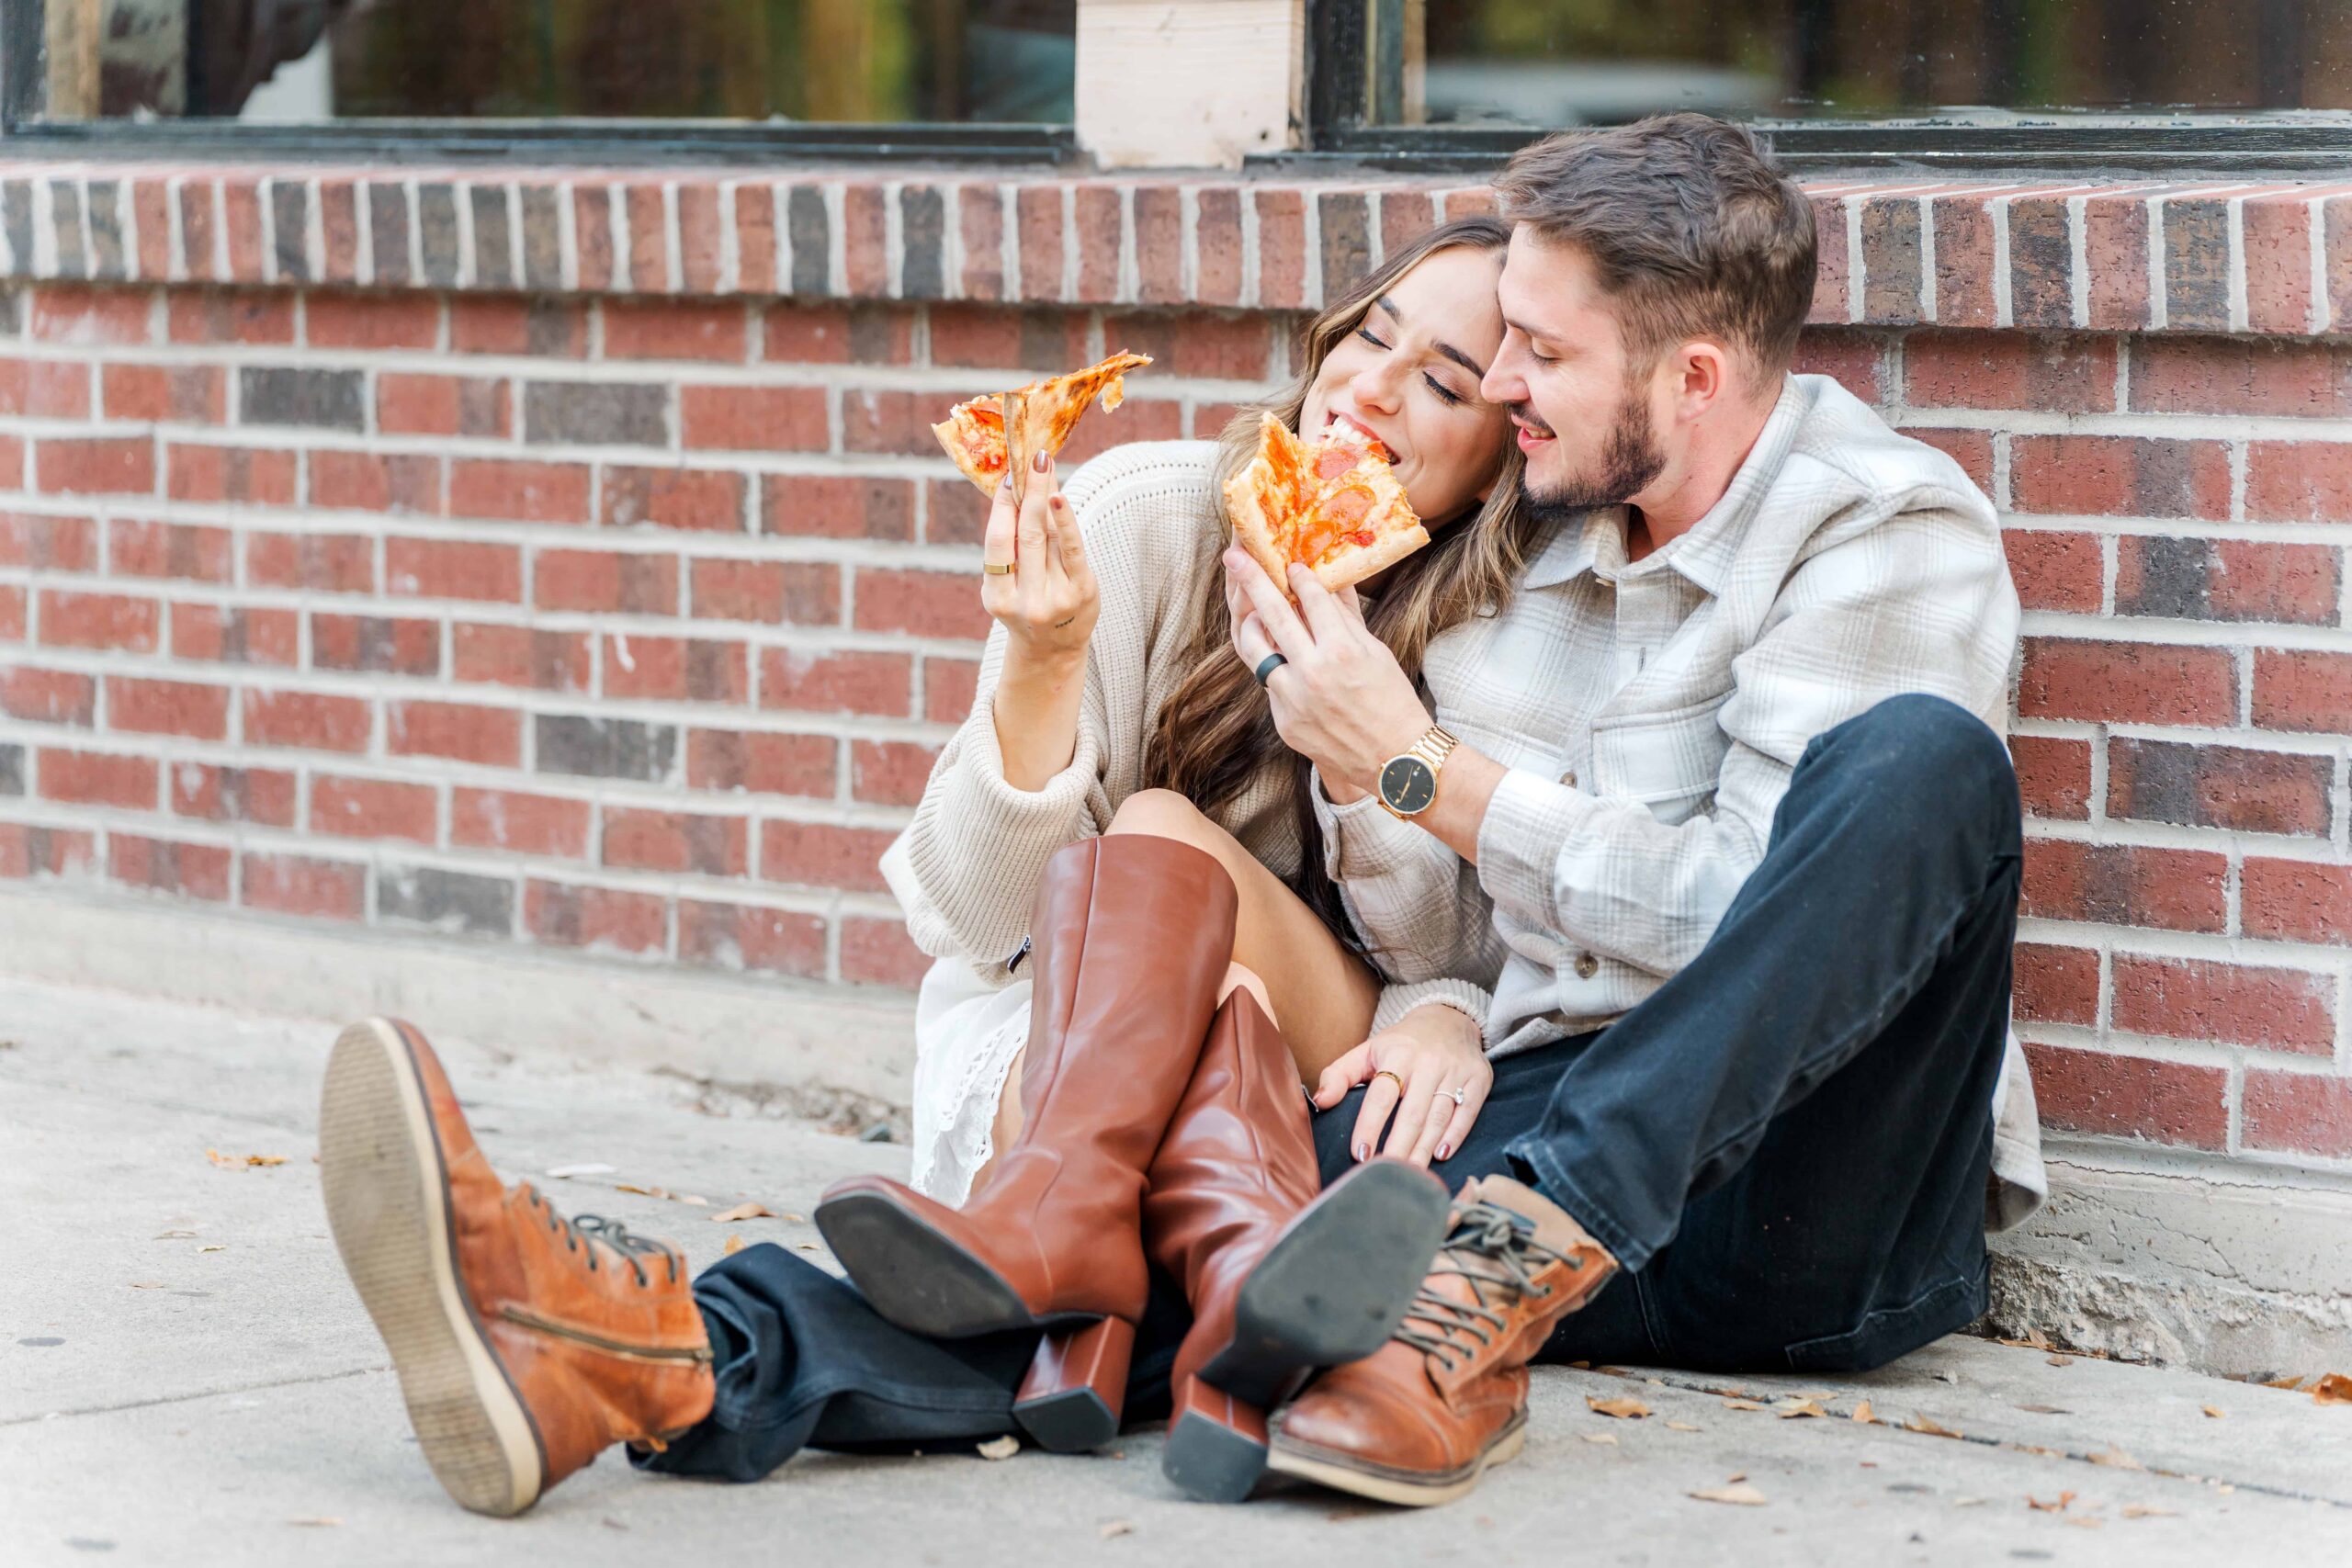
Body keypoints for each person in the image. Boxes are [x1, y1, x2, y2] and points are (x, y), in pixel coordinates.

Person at [316, 219, 1544, 1515]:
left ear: (1490, 467)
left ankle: (615, 1334)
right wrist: (1044, 661)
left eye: (1446, 383)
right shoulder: (1149, 516)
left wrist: (1429, 939)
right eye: (1369, 336)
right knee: (1205, 1014)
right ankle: (1247, 1305)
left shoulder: (1500, 618)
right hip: (1079, 1056)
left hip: (1336, 1069)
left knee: (1166, 846)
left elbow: (1476, 946)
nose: (1370, 390)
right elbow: (979, 916)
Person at [1211, 113, 2046, 1506]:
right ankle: (734, 1355)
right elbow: (1446, 937)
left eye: (1542, 353)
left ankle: (1514, 1253)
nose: (1505, 384)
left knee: (1923, 764)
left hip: (1805, 1185)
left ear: (1694, 374)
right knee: (1220, 1224)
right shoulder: (1538, 529)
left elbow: (1754, 926)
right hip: (1543, 1124)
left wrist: (1424, 769)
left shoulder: (1887, 535)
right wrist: (1352, 756)